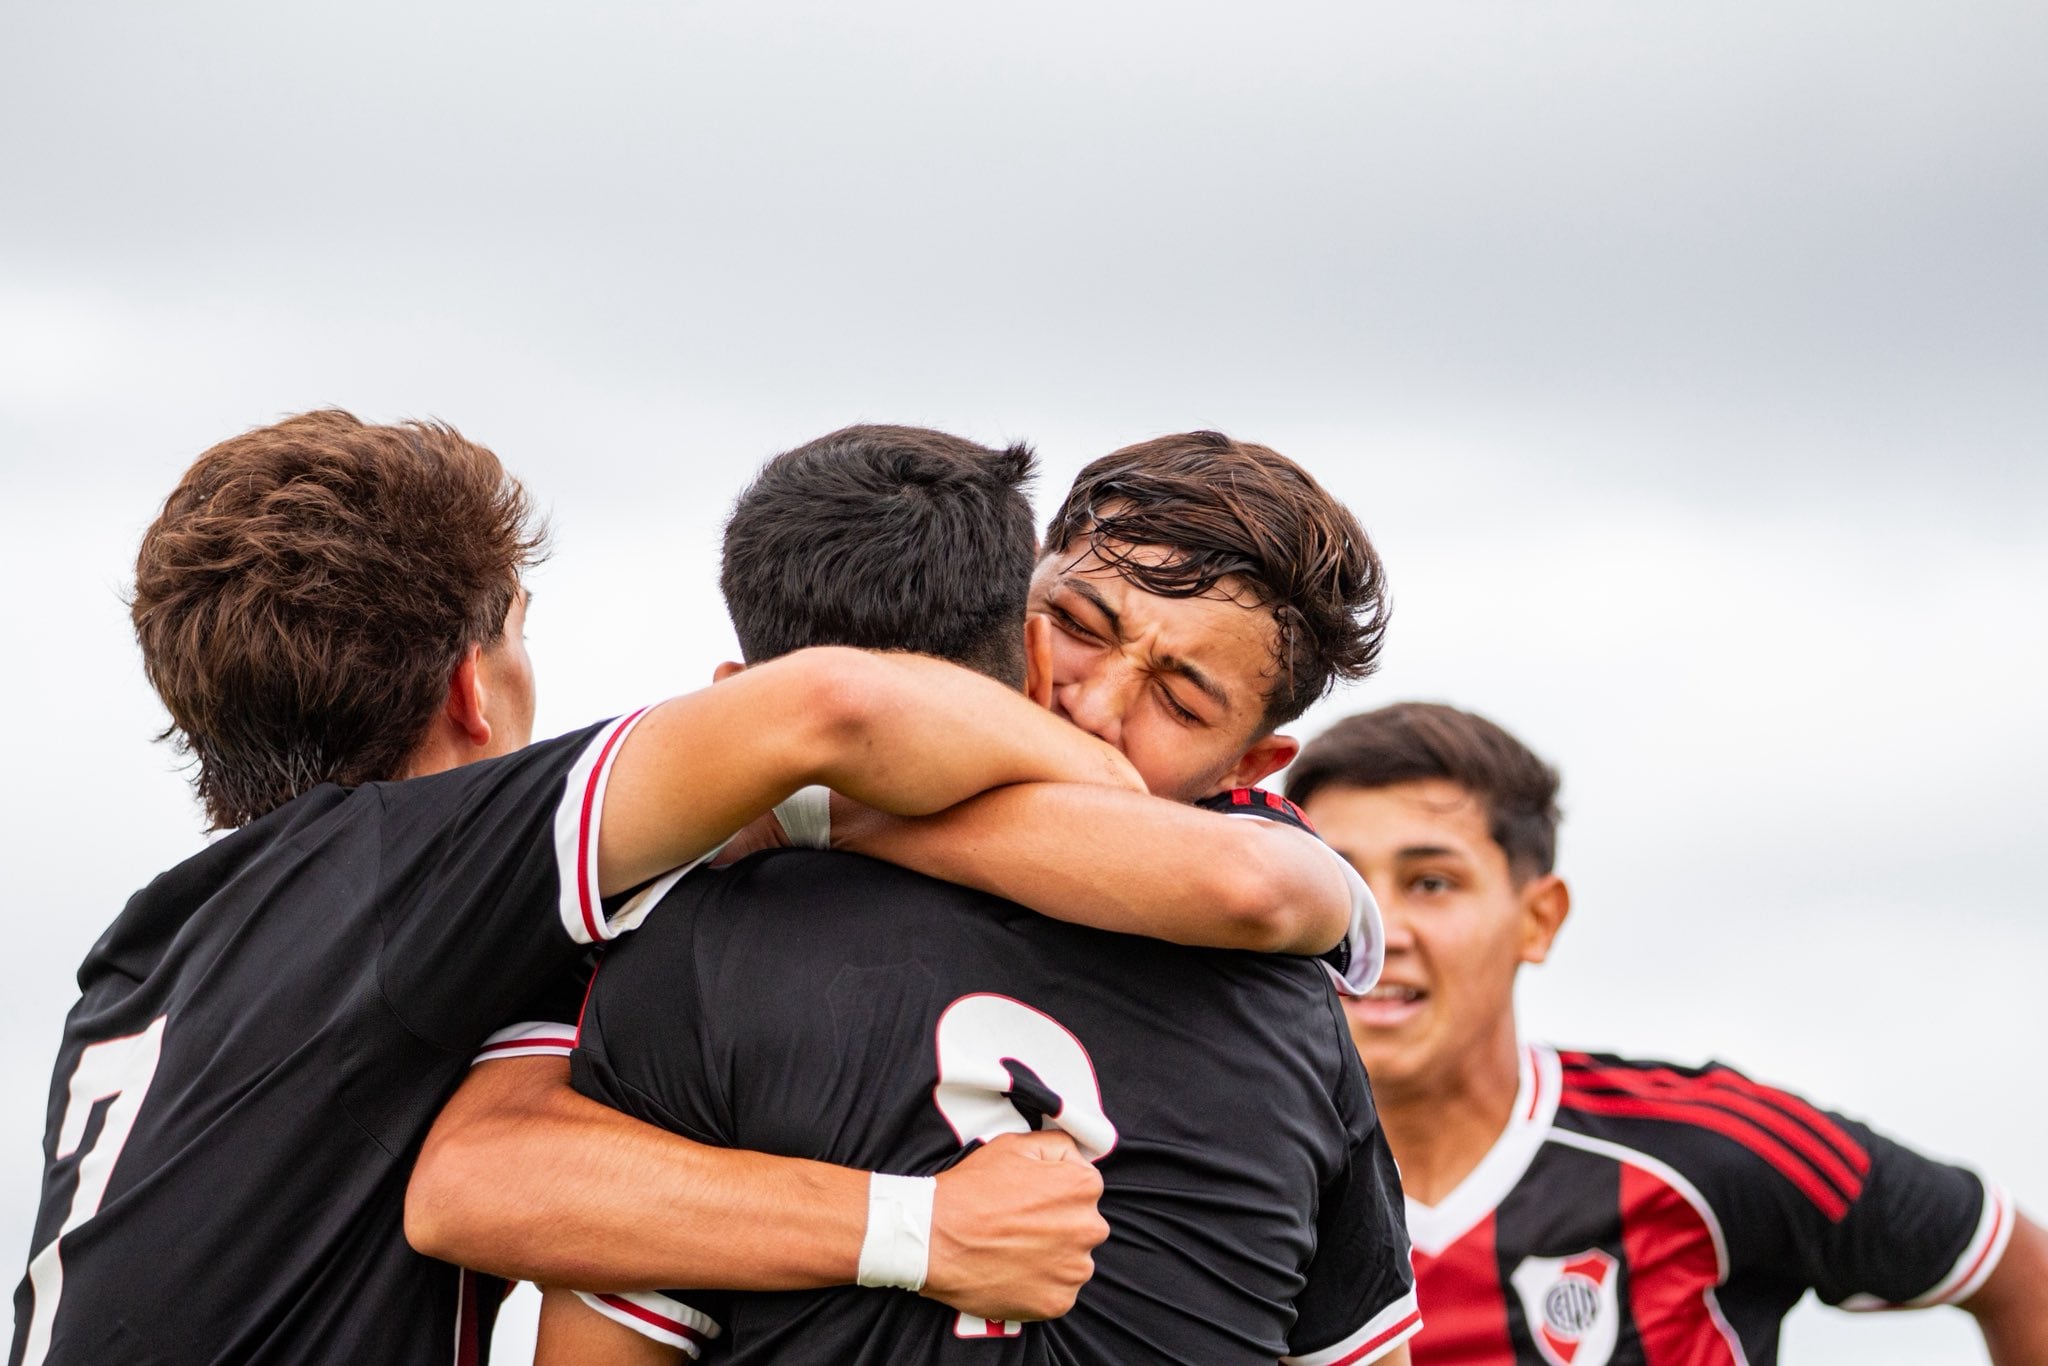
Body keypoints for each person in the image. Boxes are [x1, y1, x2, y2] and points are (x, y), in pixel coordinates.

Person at [8, 412, 1183, 1366]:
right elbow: (832, 707)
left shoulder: (158, 944)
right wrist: (1108, 786)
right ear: (475, 688)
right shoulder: (396, 860)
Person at [529, 425, 1419, 1364]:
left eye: (1180, 701)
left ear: (1250, 766)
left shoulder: (1280, 985)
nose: (1096, 705)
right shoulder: (708, 920)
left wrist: (815, 798)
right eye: (1080, 626)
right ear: (1016, 600)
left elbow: (1251, 887)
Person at [1284, 702, 2048, 1365]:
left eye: (1432, 883)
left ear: (1538, 919)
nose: (1377, 932)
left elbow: (2013, 1267)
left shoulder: (1707, 1146)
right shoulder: (1228, 1177)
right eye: (1340, 883)